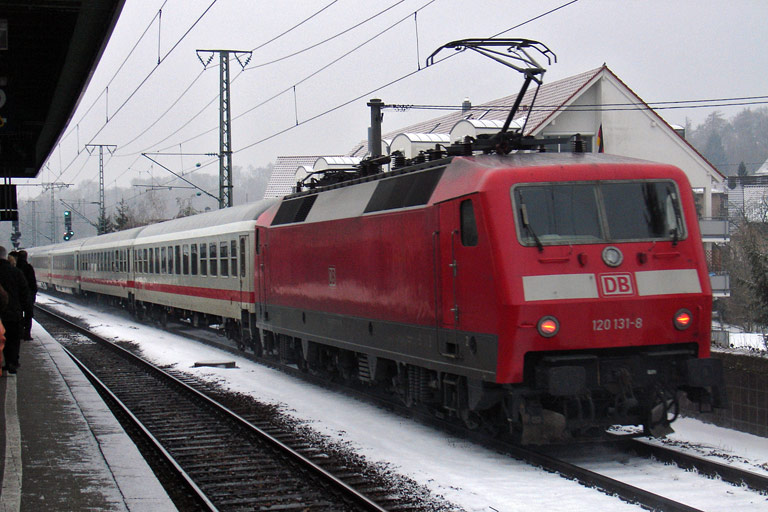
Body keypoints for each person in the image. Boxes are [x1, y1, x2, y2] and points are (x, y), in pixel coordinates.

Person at [0, 246, 30, 375]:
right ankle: (12, 362)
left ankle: (5, 363)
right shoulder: (16, 272)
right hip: (13, 312)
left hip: (1, 313)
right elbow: (25, 292)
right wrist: (25, 310)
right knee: (13, 338)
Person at [16, 250, 37, 340]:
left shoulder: (15, 267)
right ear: (26, 257)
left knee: (19, 315)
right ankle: (27, 334)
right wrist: (33, 293)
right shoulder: (28, 268)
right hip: (28, 295)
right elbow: (32, 282)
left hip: (17, 296)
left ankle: (20, 332)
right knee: (28, 315)